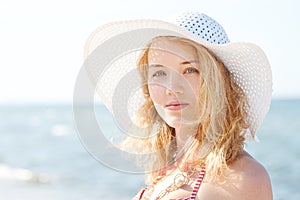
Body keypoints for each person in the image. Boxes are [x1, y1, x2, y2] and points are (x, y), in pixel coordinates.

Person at [83, 12, 273, 200]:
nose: (171, 88)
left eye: (190, 70)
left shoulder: (243, 178)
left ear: (219, 82)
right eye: (159, 73)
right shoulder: (163, 177)